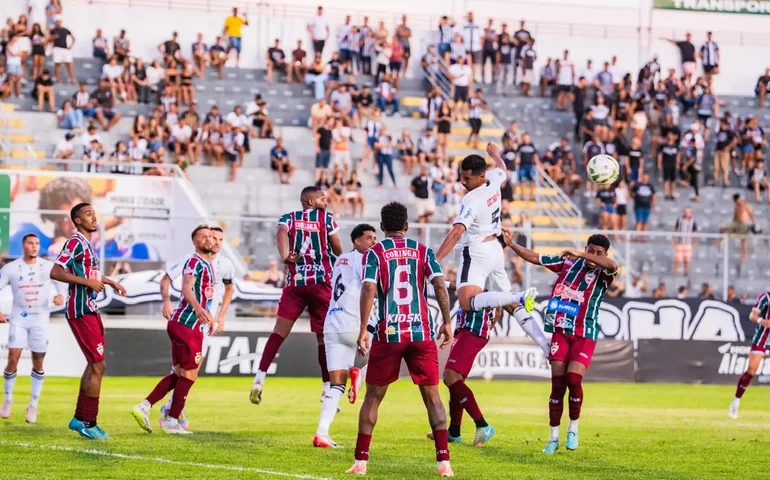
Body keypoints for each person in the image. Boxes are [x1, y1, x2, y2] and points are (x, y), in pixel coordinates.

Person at [346, 202, 454, 477]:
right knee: (433, 397)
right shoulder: (423, 251)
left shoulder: (376, 252)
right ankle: (444, 463)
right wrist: (447, 321)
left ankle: (360, 462)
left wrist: (362, 329)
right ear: (407, 226)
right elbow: (440, 284)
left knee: (373, 398)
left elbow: (369, 287)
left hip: (389, 333)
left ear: (382, 228)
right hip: (421, 333)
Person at [503, 230, 618, 454]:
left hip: (584, 332)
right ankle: (553, 437)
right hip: (560, 330)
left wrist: (581, 254)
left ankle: (572, 429)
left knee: (574, 379)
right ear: (586, 249)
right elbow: (535, 257)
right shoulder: (568, 264)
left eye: (599, 252)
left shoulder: (605, 273)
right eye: (590, 250)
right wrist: (511, 245)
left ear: (604, 254)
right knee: (557, 386)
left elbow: (612, 264)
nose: (594, 255)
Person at [133, 225, 234, 431]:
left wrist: (218, 317)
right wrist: (196, 309)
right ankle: (171, 419)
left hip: (192, 324)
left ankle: (148, 407)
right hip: (190, 323)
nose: (211, 240)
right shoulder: (194, 261)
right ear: (195, 241)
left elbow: (227, 290)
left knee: (180, 374)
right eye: (204, 236)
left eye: (214, 237)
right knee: (189, 375)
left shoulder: (215, 264)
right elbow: (185, 286)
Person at [250, 187, 343, 405]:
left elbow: (281, 233)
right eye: (322, 198)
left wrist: (285, 256)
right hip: (321, 284)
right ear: (310, 201)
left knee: (278, 332)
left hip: (296, 283)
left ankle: (259, 379)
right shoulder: (326, 218)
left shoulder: (288, 218)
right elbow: (338, 248)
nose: (326, 201)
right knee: (324, 337)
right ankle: (327, 388)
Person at [50, 203, 127, 439]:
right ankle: (89, 422)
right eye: (88, 214)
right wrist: (89, 284)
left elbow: (89, 273)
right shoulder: (74, 242)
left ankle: (79, 418)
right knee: (98, 365)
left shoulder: (87, 245)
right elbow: (56, 271)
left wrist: (110, 281)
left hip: (90, 309)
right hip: (80, 309)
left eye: (94, 213)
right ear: (77, 221)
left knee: (93, 364)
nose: (94, 217)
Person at [435, 143, 538, 319]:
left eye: (467, 178)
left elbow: (456, 232)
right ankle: (545, 342)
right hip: (495, 248)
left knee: (466, 301)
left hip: (478, 250)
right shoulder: (493, 177)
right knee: (508, 304)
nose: (462, 181)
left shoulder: (473, 198)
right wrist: (495, 154)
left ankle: (518, 295)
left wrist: (434, 260)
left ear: (481, 176)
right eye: (461, 176)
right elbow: (502, 168)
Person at [313, 224, 376, 448]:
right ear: (356, 241)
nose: (373, 242)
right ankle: (359, 377)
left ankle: (322, 432)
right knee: (391, 353)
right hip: (354, 325)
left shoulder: (341, 261)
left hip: (332, 325)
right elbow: (371, 289)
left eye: (374, 238)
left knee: (336, 385)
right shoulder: (365, 260)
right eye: (368, 238)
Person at [0, 233, 64, 423]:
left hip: (40, 319)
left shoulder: (48, 266)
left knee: (38, 360)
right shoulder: (11, 268)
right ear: (23, 246)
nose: (34, 246)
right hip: (19, 317)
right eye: (30, 243)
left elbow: (62, 283)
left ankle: (33, 403)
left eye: (37, 243)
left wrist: (60, 296)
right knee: (13, 358)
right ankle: (8, 399)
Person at [729, 290, 770, 419]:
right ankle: (736, 401)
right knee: (751, 371)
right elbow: (752, 316)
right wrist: (762, 321)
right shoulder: (765, 297)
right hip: (762, 338)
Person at [672, 207, 697, 276]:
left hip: (688, 243)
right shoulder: (680, 220)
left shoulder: (693, 221)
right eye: (686, 212)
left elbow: (694, 232)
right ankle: (675, 272)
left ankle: (686, 272)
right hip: (680, 242)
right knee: (678, 259)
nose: (687, 213)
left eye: (688, 212)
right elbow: (675, 230)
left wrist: (695, 242)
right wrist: (673, 240)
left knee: (687, 259)